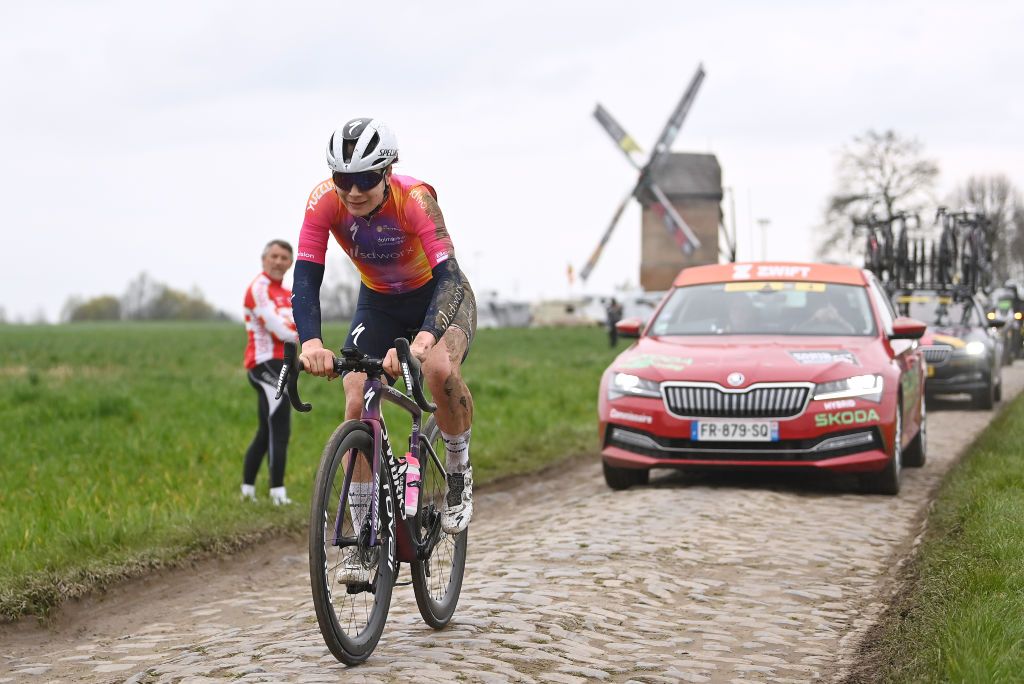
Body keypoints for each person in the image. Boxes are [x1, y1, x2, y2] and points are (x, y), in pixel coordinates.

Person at [291, 117, 477, 582]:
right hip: (379, 302)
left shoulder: (415, 200)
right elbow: (306, 275)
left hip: (439, 299)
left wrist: (424, 338)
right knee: (356, 396)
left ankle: (457, 473)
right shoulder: (322, 203)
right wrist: (311, 341)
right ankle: (364, 538)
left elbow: (449, 277)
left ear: (388, 171)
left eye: (366, 179)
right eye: (343, 180)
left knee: (436, 370)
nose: (353, 192)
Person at [242, 239, 299, 505]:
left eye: (284, 257)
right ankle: (278, 494)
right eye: (274, 256)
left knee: (267, 431)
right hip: (263, 363)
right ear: (264, 259)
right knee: (280, 426)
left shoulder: (286, 293)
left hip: (284, 363)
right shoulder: (259, 288)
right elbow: (281, 329)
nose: (278, 261)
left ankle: (247, 491)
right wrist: (300, 334)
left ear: (290, 263)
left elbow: (295, 324)